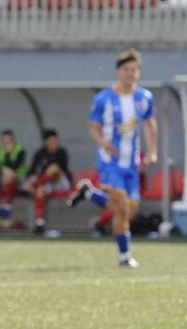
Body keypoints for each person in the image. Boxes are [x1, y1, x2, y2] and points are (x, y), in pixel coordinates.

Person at [68, 48, 157, 267]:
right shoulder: (104, 99)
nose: (131, 74)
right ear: (118, 72)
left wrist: (152, 151)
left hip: (132, 163)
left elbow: (150, 124)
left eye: (134, 70)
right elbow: (93, 128)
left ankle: (89, 192)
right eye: (127, 70)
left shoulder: (144, 97)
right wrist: (102, 142)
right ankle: (124, 257)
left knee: (128, 211)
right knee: (122, 207)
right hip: (110, 162)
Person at [27, 128, 72, 235]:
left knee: (53, 168)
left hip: (61, 182)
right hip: (46, 183)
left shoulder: (62, 152)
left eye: (56, 140)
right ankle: (39, 223)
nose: (54, 143)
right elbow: (31, 171)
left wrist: (35, 182)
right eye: (51, 141)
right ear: (46, 142)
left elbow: (60, 170)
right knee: (40, 191)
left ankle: (34, 185)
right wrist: (32, 178)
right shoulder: (39, 153)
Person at [0, 129, 28, 229]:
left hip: (19, 181)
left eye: (9, 140)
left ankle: (7, 207)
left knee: (10, 175)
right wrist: (2, 169)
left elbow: (15, 167)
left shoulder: (20, 150)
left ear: (13, 140)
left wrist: (8, 155)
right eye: (4, 141)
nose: (6, 143)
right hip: (2, 181)